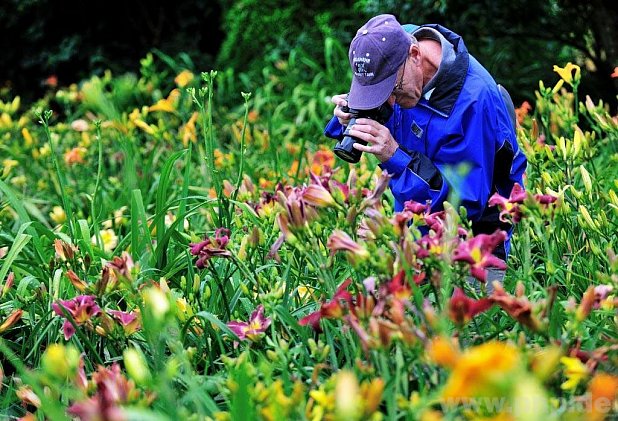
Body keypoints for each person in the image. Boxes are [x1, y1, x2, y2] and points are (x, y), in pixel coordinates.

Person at [324, 14, 527, 281]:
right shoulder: (396, 46)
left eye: (392, 91)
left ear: (416, 54)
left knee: (443, 321)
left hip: (472, 251)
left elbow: (462, 206)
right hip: (409, 239)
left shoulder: (475, 102)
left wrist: (395, 157)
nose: (391, 102)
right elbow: (389, 100)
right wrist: (354, 114)